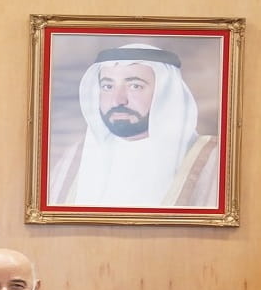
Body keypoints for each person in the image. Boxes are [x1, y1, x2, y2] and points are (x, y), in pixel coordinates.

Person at [47, 44, 220, 208]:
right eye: (108, 86)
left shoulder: (211, 157)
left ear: (165, 93)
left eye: (135, 86)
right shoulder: (75, 157)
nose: (118, 100)